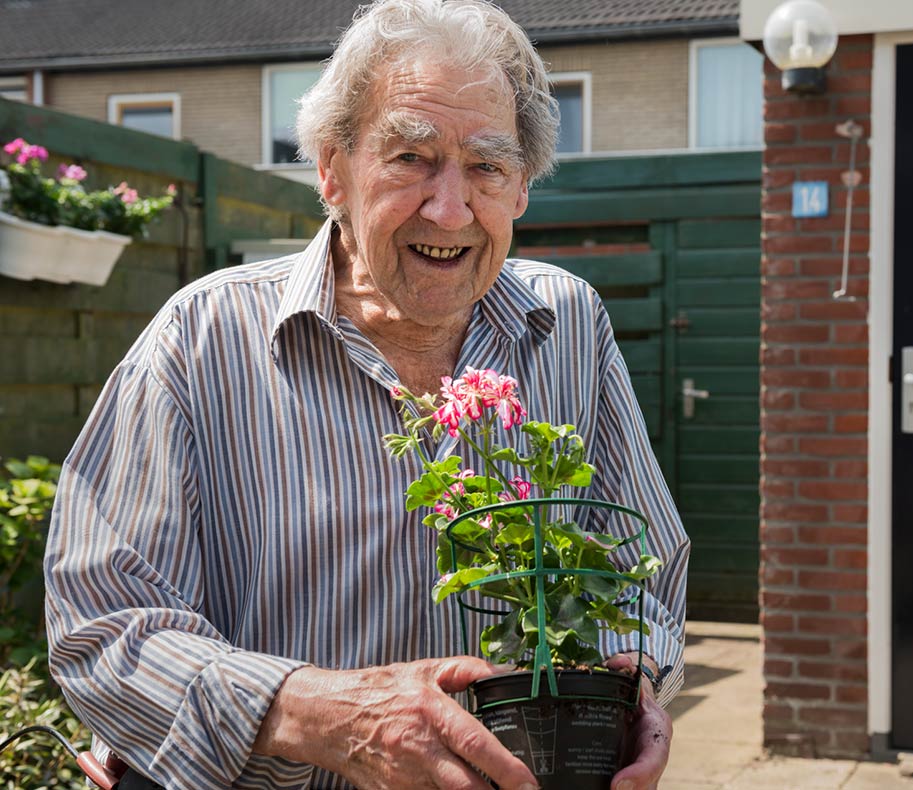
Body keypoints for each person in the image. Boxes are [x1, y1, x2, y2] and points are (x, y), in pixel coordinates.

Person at [42, 1, 690, 788]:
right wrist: (322, 713)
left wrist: (636, 685)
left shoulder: (569, 326)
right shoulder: (203, 338)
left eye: (487, 167)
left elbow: (642, 568)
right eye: (410, 157)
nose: (449, 209)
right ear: (331, 170)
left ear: (521, 189)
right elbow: (103, 631)